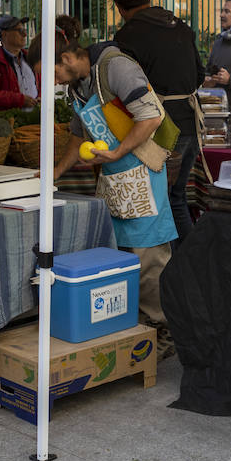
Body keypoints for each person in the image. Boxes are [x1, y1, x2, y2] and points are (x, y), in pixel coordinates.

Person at [52, 40, 177, 357]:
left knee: (148, 257)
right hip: (114, 178)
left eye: (50, 71)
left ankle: (165, 331)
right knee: (120, 254)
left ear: (67, 57)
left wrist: (118, 151)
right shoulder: (77, 87)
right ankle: (133, 327)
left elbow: (150, 117)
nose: (50, 80)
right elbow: (79, 134)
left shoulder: (115, 67)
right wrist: (56, 172)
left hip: (141, 173)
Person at [111, 0, 204, 250]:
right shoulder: (181, 27)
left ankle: (168, 267)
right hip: (190, 123)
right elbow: (200, 74)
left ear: (119, 7)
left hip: (161, 129)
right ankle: (190, 261)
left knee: (160, 201)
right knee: (176, 198)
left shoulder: (127, 36)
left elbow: (127, 89)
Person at [0, 15, 37, 115]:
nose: (25, 34)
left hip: (35, 121)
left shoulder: (31, 59)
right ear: (4, 34)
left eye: (24, 30)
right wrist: (20, 100)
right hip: (9, 122)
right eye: (19, 30)